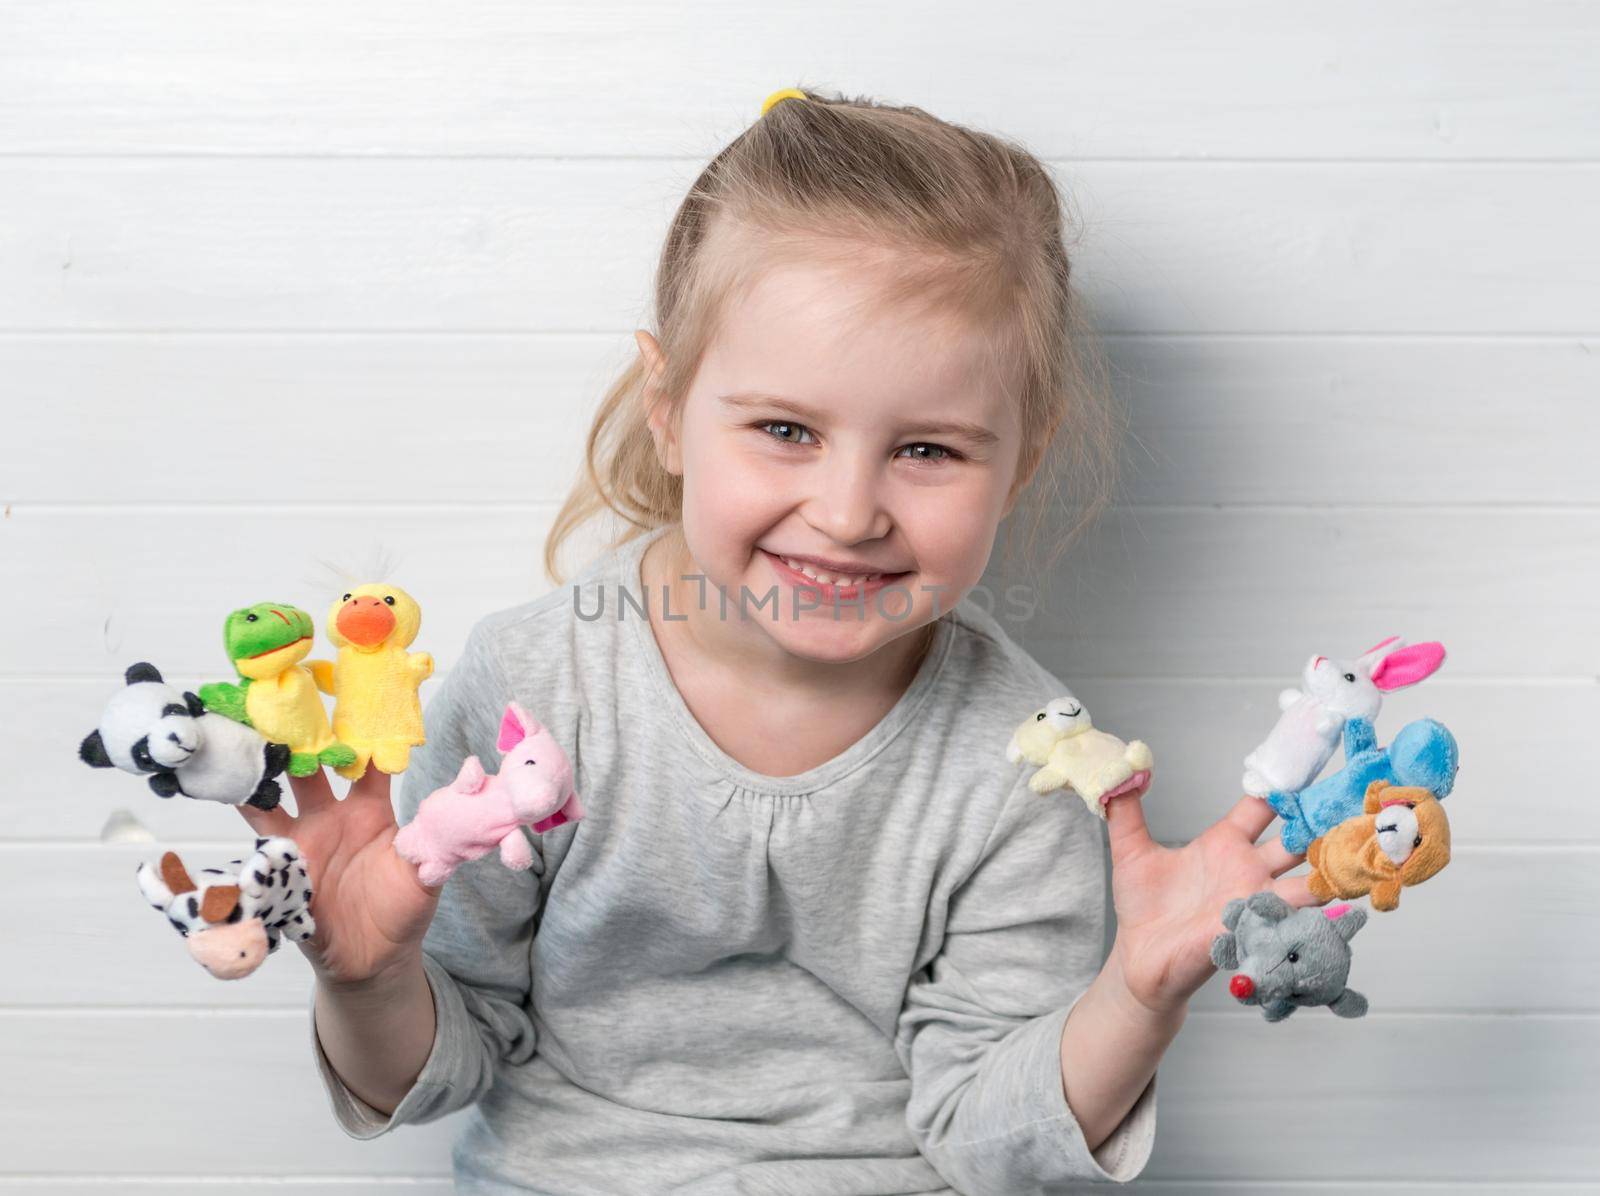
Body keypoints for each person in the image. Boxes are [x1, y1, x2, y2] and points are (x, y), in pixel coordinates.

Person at [239, 87, 1318, 1194]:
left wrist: (1132, 995)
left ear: (1022, 458)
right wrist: (367, 978)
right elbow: (446, 1060)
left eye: (930, 450)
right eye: (786, 430)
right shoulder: (532, 683)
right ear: (666, 406)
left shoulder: (1031, 755)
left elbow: (988, 1137)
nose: (849, 512)